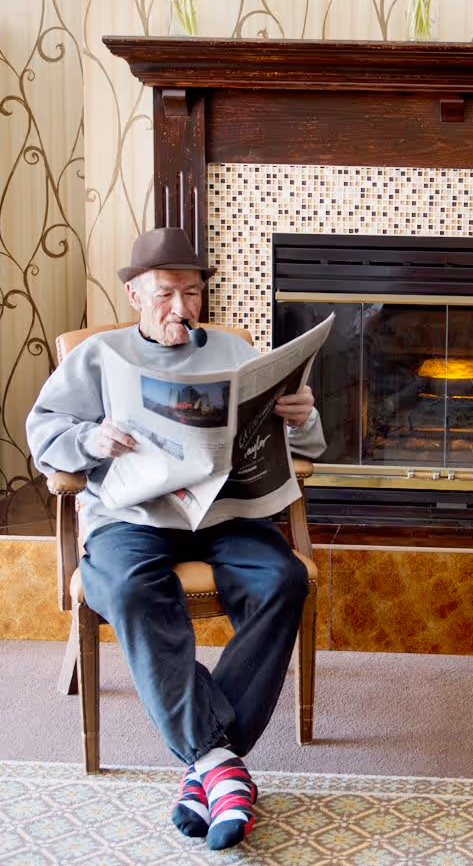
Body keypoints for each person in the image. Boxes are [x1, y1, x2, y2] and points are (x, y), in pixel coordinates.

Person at [26, 228, 326, 851]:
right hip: (132, 517)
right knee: (129, 587)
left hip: (226, 515)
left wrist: (301, 417)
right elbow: (44, 431)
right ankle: (220, 765)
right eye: (166, 294)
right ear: (135, 292)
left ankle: (207, 765)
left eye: (192, 294)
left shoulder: (237, 353)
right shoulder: (98, 355)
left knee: (283, 579)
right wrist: (92, 441)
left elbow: (306, 448)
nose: (181, 309)